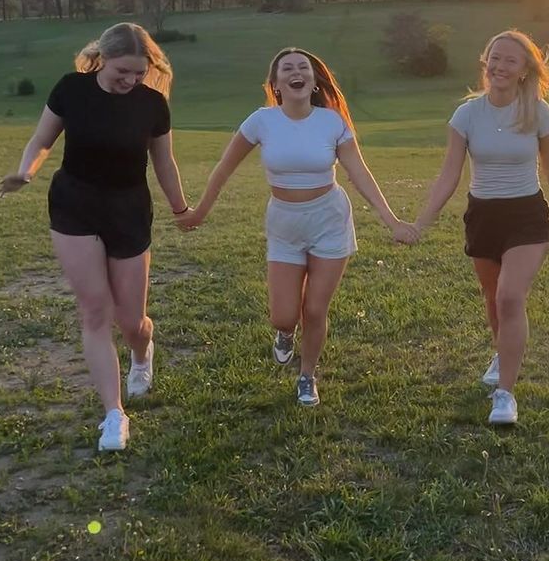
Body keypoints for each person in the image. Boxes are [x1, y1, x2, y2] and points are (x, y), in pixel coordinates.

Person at [177, 47, 415, 407]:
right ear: (275, 84)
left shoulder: (332, 122)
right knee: (283, 315)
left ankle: (307, 376)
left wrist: (392, 220)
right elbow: (224, 167)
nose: (296, 72)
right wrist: (199, 212)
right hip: (285, 224)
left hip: (329, 220)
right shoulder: (261, 121)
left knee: (315, 310)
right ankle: (286, 334)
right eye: (287, 68)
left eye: (303, 67)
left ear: (314, 80)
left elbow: (359, 173)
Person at [0, 22, 189, 453]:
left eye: (139, 73)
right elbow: (42, 139)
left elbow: (164, 163)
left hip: (129, 211)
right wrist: (26, 172)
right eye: (123, 71)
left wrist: (181, 209)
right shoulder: (72, 89)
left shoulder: (152, 104)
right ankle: (114, 415)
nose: (131, 80)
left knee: (131, 321)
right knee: (95, 311)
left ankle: (142, 351)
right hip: (75, 204)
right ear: (102, 59)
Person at [413, 30, 549, 426]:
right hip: (483, 215)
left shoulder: (538, 112)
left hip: (526, 215)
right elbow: (449, 174)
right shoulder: (466, 116)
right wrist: (422, 222)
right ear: (485, 63)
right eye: (495, 58)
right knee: (492, 299)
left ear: (524, 70)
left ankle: (505, 395)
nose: (500, 66)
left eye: (510, 60)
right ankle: (502, 352)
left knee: (509, 297)